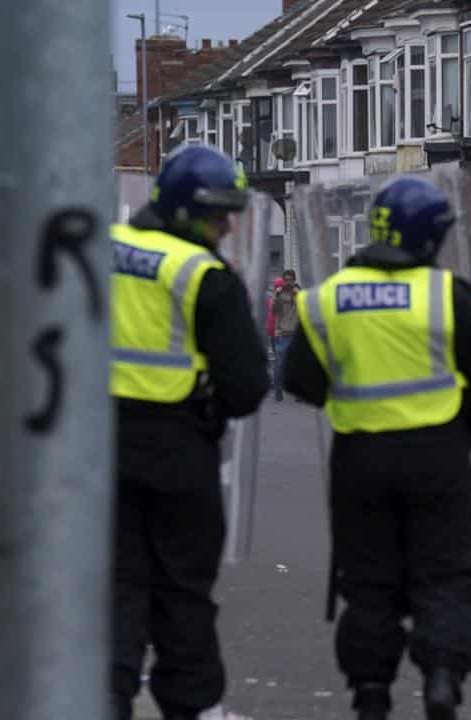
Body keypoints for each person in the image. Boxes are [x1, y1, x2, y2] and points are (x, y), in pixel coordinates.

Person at [283, 176, 471, 720]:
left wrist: (348, 393)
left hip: (359, 461)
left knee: (368, 584)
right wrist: (458, 420)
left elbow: (299, 379)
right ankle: (441, 677)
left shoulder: (326, 301)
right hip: (437, 459)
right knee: (444, 575)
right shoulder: (449, 296)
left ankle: (370, 693)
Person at [109, 145, 268, 720]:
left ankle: (105, 698)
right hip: (178, 451)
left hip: (95, 449)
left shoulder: (99, 248)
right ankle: (191, 705)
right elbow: (247, 386)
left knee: (114, 590)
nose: (226, 226)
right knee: (182, 594)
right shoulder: (203, 274)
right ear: (184, 209)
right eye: (217, 214)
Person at [271, 269, 301, 401]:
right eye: (286, 280)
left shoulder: (298, 293)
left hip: (296, 334)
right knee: (280, 364)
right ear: (283, 281)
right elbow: (273, 311)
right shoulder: (279, 293)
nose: (288, 282)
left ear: (294, 280)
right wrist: (277, 296)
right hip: (282, 334)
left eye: (291, 280)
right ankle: (278, 389)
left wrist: (298, 296)